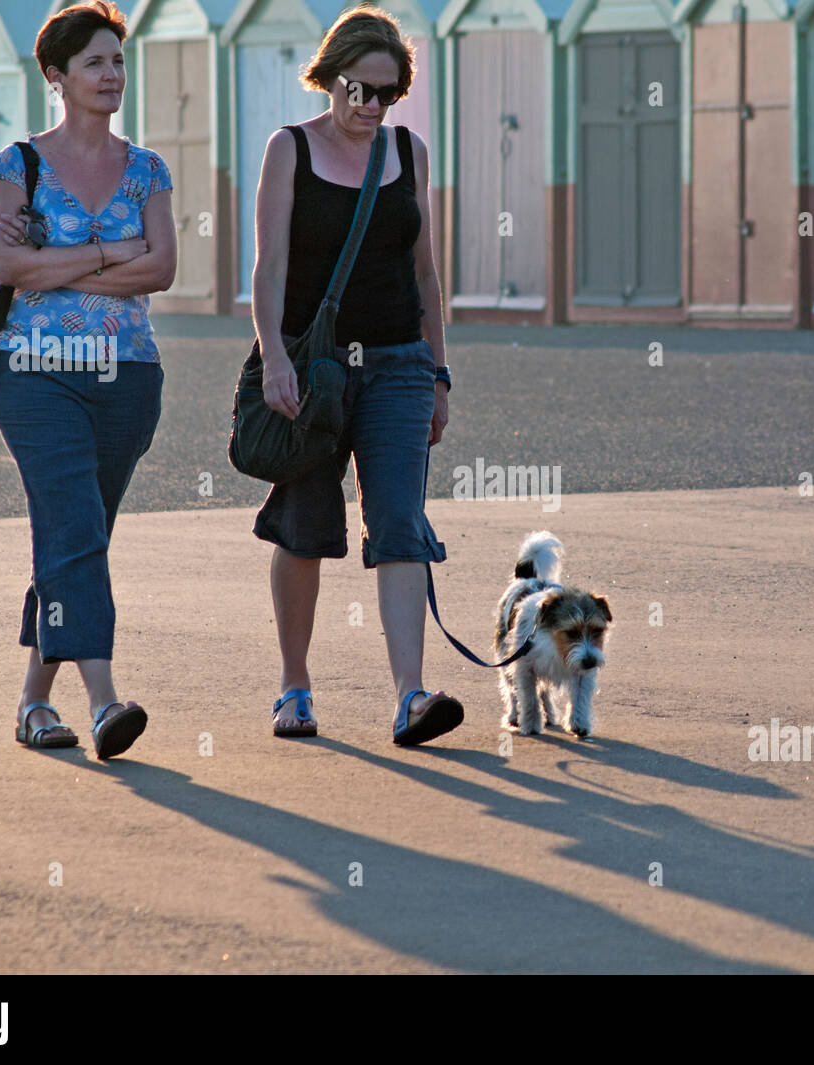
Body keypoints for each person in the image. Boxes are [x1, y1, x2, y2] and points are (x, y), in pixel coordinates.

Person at [250, 6, 459, 745]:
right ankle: (295, 686)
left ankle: (411, 696)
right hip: (316, 370)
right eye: (358, 90)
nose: (370, 107)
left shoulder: (410, 151)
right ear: (329, 77)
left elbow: (426, 273)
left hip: (401, 363)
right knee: (304, 526)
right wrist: (275, 355)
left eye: (387, 93)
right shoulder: (290, 150)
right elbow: (270, 268)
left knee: (401, 522)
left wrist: (439, 373)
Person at [0, 1, 177, 759]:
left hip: (129, 377)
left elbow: (163, 267)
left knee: (76, 541)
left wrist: (61, 266)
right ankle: (104, 704)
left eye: (118, 61)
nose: (111, 75)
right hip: (36, 374)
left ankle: (33, 704)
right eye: (94, 63)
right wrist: (109, 255)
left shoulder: (148, 168)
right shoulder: (19, 164)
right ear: (57, 76)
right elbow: (10, 267)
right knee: (76, 531)